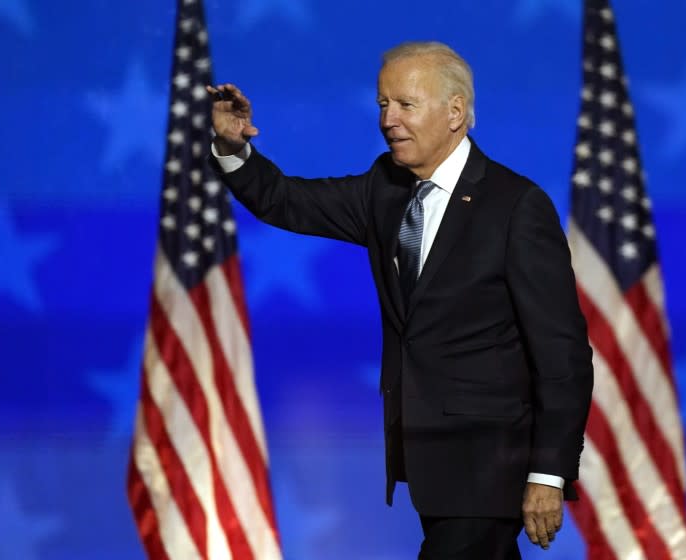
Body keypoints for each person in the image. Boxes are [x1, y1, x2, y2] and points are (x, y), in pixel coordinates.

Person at [206, 41, 593, 559]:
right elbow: (287, 202)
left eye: (405, 105)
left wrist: (548, 470)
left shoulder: (516, 207)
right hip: (424, 455)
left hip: (489, 461)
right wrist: (233, 148)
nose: (389, 120)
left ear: (455, 112)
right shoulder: (384, 189)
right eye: (383, 104)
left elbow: (562, 354)